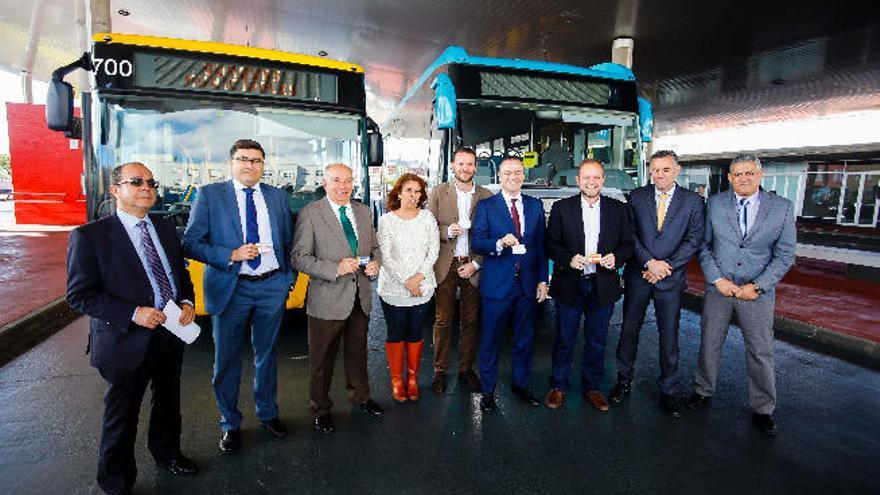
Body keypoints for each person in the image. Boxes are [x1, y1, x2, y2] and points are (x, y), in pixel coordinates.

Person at [67, 163, 198, 495]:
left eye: (151, 182)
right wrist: (132, 313)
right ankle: (115, 481)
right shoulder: (90, 236)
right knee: (121, 416)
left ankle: (168, 454)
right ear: (115, 190)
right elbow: (79, 295)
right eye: (136, 182)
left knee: (168, 402)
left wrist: (186, 302)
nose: (146, 187)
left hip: (169, 333)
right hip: (125, 339)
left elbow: (179, 276)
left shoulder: (165, 227)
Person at [182, 139, 295, 453]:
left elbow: (288, 240)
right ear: (231, 162)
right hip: (233, 286)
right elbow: (191, 243)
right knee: (227, 360)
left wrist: (287, 279)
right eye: (243, 159)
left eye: (257, 160)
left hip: (272, 285)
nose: (250, 165)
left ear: (263, 165)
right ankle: (230, 423)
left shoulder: (277, 197)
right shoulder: (210, 195)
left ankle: (268, 413)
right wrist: (230, 254)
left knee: (267, 355)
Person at [686, 154, 796, 437]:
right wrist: (717, 279)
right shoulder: (715, 204)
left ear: (760, 176)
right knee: (709, 344)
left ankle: (764, 409)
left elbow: (784, 256)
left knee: (760, 351)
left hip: (757, 294)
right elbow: (704, 246)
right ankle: (702, 390)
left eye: (749, 173)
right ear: (730, 178)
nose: (743, 178)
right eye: (737, 174)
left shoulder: (782, 208)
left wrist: (758, 286)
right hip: (719, 290)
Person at [608, 150, 704, 418]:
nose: (659, 175)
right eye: (654, 170)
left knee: (669, 337)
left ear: (677, 170)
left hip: (670, 280)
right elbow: (630, 235)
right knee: (629, 331)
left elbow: (693, 240)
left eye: (665, 170)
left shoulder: (693, 202)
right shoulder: (637, 197)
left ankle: (668, 390)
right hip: (639, 275)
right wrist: (650, 263)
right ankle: (623, 381)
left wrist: (665, 267)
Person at [291, 163, 384, 433]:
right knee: (322, 360)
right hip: (327, 298)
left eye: (347, 181)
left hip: (360, 295)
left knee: (358, 354)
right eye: (336, 181)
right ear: (325, 183)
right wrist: (334, 269)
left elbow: (375, 248)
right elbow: (298, 258)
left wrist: (376, 263)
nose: (343, 186)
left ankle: (361, 397)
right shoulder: (310, 213)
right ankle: (320, 408)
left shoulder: (363, 211)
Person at [543, 159, 633, 411]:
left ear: (603, 180)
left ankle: (592, 388)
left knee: (597, 340)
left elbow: (627, 244)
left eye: (596, 178)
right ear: (577, 180)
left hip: (603, 285)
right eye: (586, 178)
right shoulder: (562, 208)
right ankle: (557, 386)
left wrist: (617, 258)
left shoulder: (618, 209)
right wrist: (567, 259)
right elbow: (551, 243)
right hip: (570, 283)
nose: (591, 182)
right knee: (564, 338)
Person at [471, 157, 549, 413]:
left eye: (517, 172)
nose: (513, 177)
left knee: (525, 338)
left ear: (523, 176)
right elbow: (477, 242)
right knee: (491, 340)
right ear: (500, 176)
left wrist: (542, 280)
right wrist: (498, 243)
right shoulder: (486, 206)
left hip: (527, 285)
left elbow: (540, 247)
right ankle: (488, 391)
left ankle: (521, 384)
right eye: (507, 173)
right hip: (497, 286)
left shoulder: (536, 206)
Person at [426, 147, 494, 394]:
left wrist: (476, 263)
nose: (465, 168)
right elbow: (428, 227)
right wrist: (446, 232)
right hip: (446, 262)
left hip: (473, 263)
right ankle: (440, 371)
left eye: (470, 164)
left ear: (476, 167)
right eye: (460, 164)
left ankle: (465, 369)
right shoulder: (438, 193)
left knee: (471, 321)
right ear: (452, 166)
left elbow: (491, 233)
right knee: (443, 320)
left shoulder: (486, 196)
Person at [377, 173, 439, 402]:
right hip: (393, 289)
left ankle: (412, 379)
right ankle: (396, 380)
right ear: (399, 193)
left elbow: (433, 250)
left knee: (415, 332)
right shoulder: (386, 221)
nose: (414, 195)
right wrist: (407, 281)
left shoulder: (427, 218)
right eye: (409, 190)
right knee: (395, 332)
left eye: (418, 191)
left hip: (422, 288)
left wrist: (419, 278)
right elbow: (385, 255)